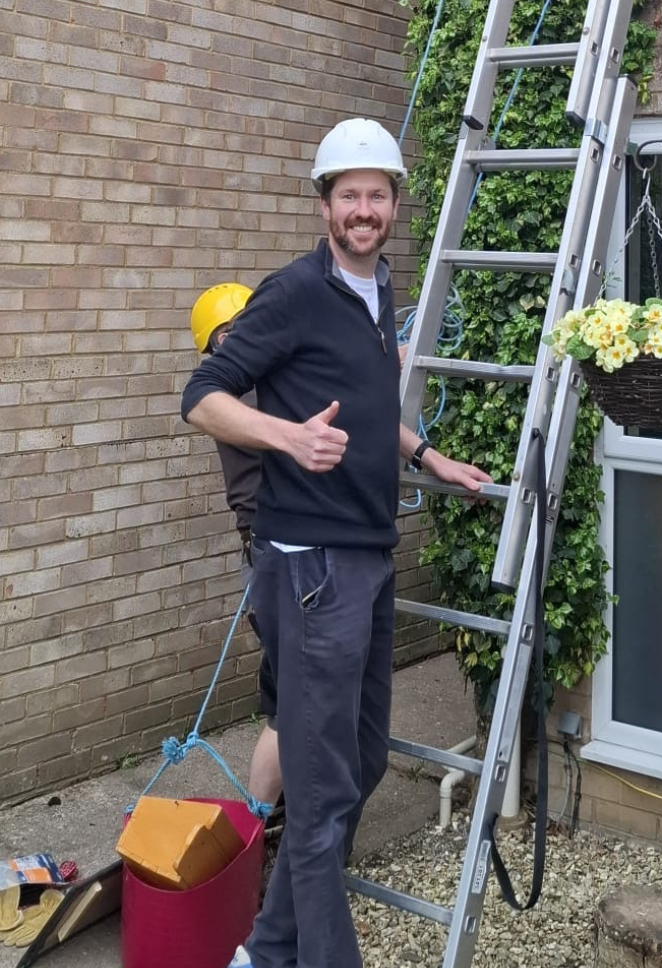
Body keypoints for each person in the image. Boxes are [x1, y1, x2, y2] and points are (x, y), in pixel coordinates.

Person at [182, 120, 492, 968]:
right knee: (318, 800)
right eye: (348, 194)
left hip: (368, 554)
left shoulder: (377, 291)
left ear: (393, 204)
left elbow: (366, 403)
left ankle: (266, 951)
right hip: (311, 566)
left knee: (360, 759)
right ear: (325, 205)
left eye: (376, 194)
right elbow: (201, 396)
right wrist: (287, 436)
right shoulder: (292, 293)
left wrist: (428, 456)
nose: (363, 209)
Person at [189, 283, 287, 822]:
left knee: (291, 687)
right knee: (289, 697)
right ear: (224, 340)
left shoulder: (250, 384)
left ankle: (277, 806)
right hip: (272, 555)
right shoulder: (238, 396)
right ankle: (261, 817)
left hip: (270, 551)